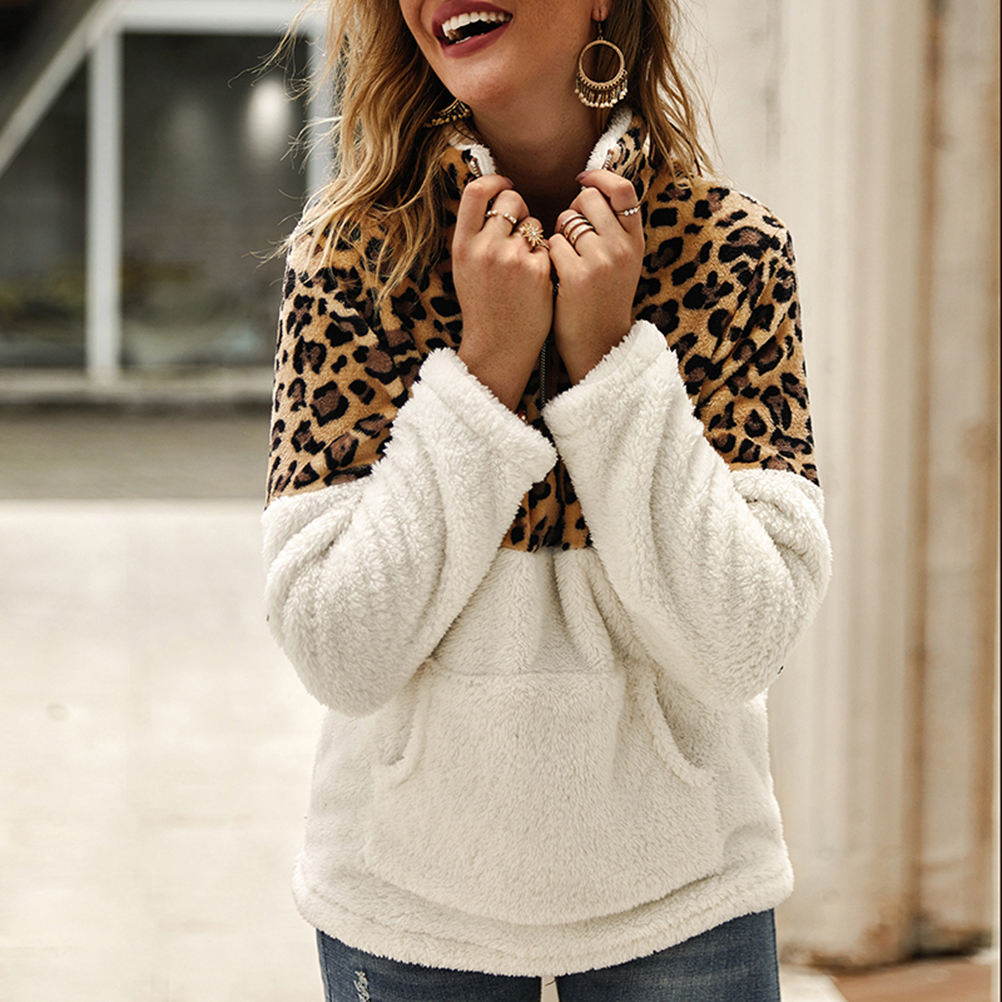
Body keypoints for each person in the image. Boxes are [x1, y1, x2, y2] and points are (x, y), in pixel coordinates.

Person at [262, 0, 832, 998]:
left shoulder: (731, 253)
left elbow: (746, 643)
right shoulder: (353, 259)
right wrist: (487, 368)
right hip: (408, 909)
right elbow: (337, 650)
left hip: (686, 902)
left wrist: (611, 359)